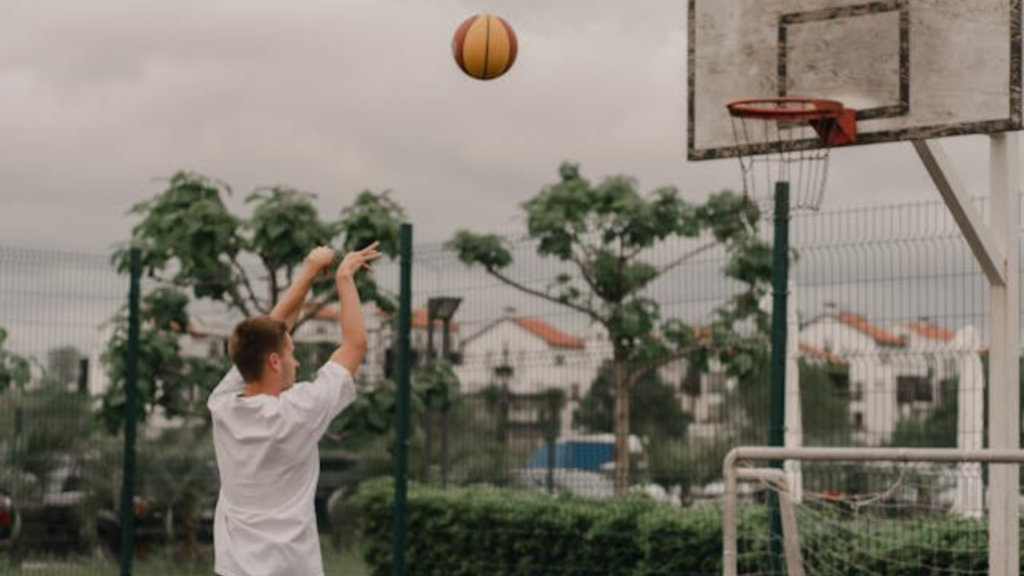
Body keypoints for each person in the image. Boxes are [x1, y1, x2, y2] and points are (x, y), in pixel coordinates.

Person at [207, 242, 381, 576]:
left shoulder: (223, 405)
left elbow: (273, 326)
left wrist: (310, 271)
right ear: (274, 361)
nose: (296, 361)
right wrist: (344, 276)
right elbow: (355, 345)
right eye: (291, 353)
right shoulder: (298, 412)